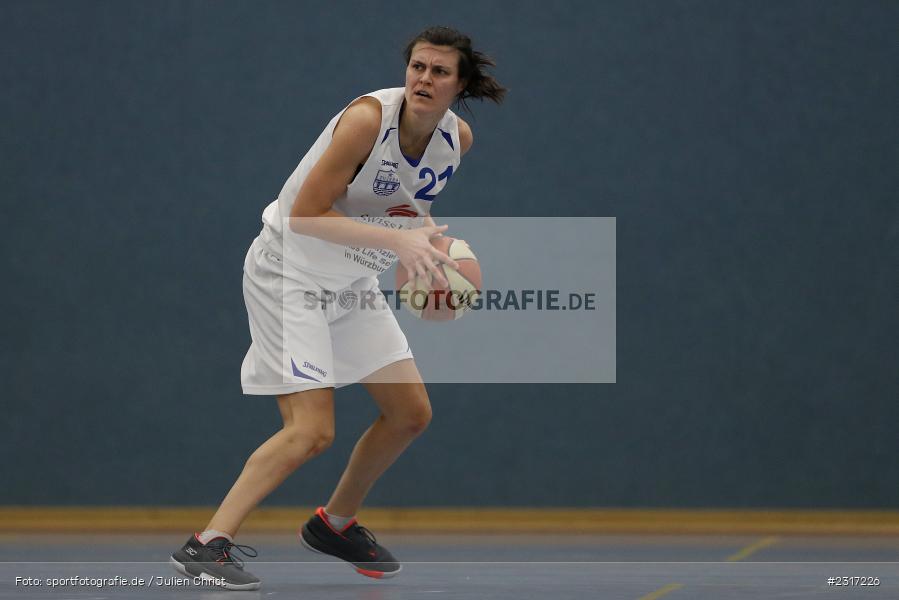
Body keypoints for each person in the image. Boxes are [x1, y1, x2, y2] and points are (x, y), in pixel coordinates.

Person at [170, 26, 505, 591]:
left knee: (410, 414)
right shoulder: (367, 120)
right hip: (290, 271)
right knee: (310, 431)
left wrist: (426, 244)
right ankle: (206, 545)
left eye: (439, 71)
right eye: (418, 67)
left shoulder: (457, 140)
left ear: (460, 84)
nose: (424, 78)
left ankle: (334, 524)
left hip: (351, 276)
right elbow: (305, 214)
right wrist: (399, 243)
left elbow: (402, 204)